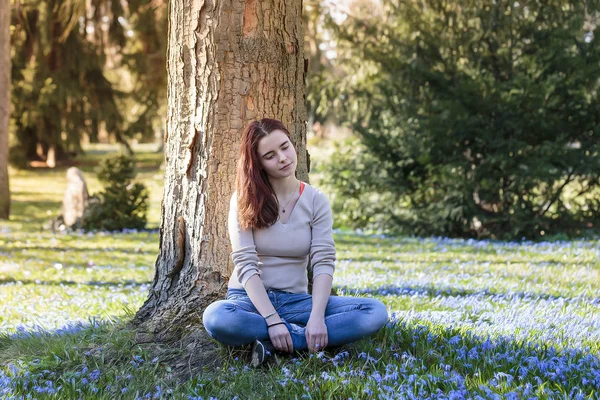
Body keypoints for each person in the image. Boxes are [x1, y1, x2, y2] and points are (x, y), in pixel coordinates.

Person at [203, 118, 388, 366]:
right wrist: (271, 319)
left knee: (374, 312)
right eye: (270, 155)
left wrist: (317, 317)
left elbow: (323, 263)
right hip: (248, 303)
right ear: (258, 163)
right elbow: (246, 265)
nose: (282, 158)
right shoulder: (243, 199)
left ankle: (275, 343)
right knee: (216, 317)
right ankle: (298, 338)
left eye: (285, 146)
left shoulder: (315, 200)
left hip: (297, 302)